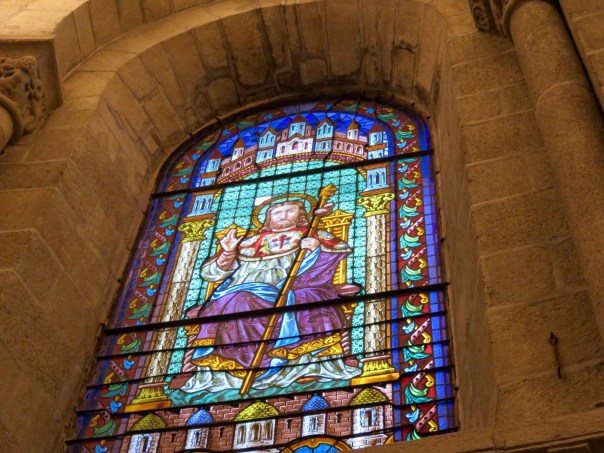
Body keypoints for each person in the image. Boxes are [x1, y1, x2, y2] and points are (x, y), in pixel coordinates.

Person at [173, 200, 360, 397]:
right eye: (277, 213)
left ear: (300, 215)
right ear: (268, 218)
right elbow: (211, 274)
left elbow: (330, 265)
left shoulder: (313, 235)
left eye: (290, 211)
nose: (283, 216)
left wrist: (317, 249)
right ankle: (236, 375)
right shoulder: (249, 242)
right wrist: (228, 252)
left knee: (295, 302)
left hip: (297, 289)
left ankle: (292, 368)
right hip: (245, 291)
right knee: (237, 301)